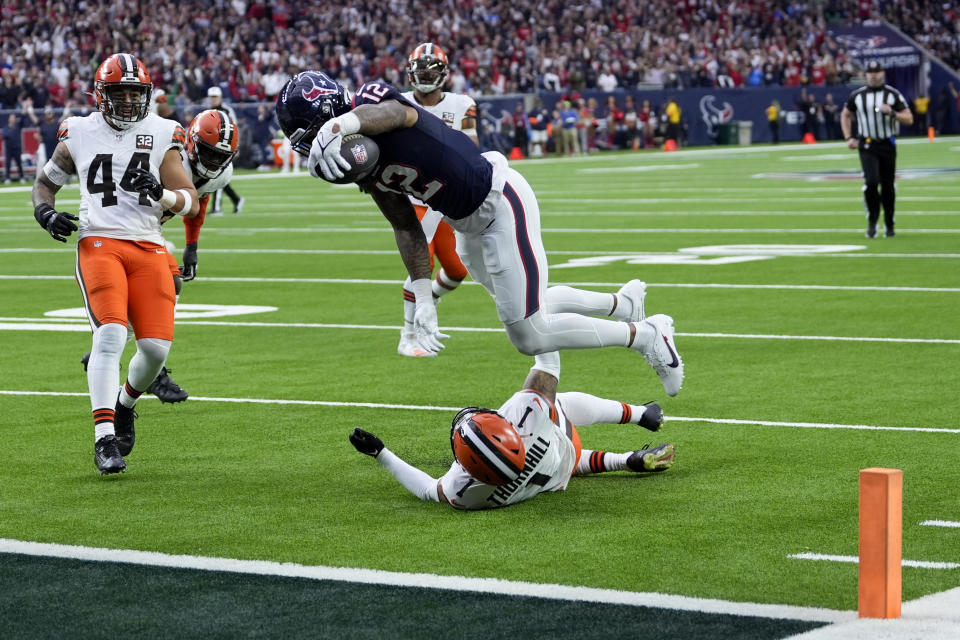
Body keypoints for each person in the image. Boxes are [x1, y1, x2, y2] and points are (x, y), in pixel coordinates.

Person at [276, 71, 684, 397]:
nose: (313, 145)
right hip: (464, 222)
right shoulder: (358, 156)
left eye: (313, 133)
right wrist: (423, 298)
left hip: (499, 200)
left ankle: (647, 336)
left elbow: (399, 115)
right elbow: (405, 225)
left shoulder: (368, 102)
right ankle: (623, 304)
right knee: (533, 307)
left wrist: (340, 125)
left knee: (529, 333)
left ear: (328, 113)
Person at [31, 53, 199, 474]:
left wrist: (160, 194)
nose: (127, 102)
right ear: (100, 95)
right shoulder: (81, 130)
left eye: (134, 93)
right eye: (118, 93)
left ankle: (125, 404)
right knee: (109, 334)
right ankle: (104, 439)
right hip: (99, 241)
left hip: (148, 245)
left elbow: (190, 200)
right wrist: (44, 212)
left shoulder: (163, 132)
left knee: (155, 351)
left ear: (146, 95)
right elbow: (45, 183)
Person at [348, 354, 675, 510]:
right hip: (556, 448)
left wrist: (381, 453)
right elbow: (548, 361)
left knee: (563, 460)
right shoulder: (525, 415)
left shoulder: (463, 493)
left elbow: (426, 489)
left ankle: (625, 460)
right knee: (557, 403)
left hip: (553, 476)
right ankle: (641, 413)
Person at [395, 42, 475, 358]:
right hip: (413, 198)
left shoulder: (461, 104)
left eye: (432, 69)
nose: (426, 74)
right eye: (421, 69)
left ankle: (428, 302)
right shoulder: (396, 104)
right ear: (411, 73)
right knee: (421, 268)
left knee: (456, 271)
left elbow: (472, 149)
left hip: (446, 198)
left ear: (443, 73)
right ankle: (407, 335)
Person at [841, 60, 913, 238]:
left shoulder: (892, 94)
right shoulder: (857, 96)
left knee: (887, 186)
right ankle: (872, 221)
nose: (874, 75)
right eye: (870, 72)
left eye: (877, 71)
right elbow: (845, 114)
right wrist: (848, 137)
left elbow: (909, 118)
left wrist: (893, 113)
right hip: (866, 144)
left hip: (887, 143)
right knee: (872, 182)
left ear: (883, 73)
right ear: (865, 75)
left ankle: (889, 223)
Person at [206, 86, 244, 214]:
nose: (213, 100)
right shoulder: (208, 112)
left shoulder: (227, 110)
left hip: (226, 148)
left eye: (215, 97)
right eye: (212, 97)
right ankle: (236, 200)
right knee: (218, 176)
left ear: (220, 97)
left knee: (217, 176)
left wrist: (236, 147)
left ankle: (216, 208)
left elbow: (235, 128)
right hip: (213, 149)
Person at [2, 112, 25, 183]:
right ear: (9, 119)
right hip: (9, 149)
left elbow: (23, 118)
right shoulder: (5, 128)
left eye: (13, 117)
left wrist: (24, 110)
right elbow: (5, 136)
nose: (12, 119)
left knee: (19, 164)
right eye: (11, 117)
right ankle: (7, 178)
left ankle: (22, 177)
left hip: (17, 148)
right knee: (8, 164)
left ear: (15, 119)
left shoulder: (18, 126)